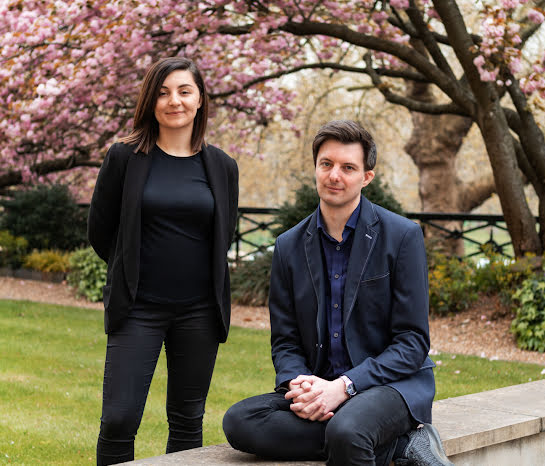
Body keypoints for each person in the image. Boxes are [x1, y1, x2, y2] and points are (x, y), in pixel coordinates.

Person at [223, 120, 452, 466]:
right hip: (320, 383)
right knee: (240, 421)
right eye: (326, 164)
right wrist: (300, 386)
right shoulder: (289, 246)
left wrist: (344, 387)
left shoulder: (402, 236)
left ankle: (365, 431)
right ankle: (400, 446)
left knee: (347, 432)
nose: (334, 176)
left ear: (366, 177)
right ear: (315, 168)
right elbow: (285, 341)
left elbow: (412, 342)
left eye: (348, 168)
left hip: (391, 385)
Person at [88, 57, 238, 465]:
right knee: (119, 419)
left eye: (185, 91)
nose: (174, 101)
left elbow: (225, 232)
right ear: (150, 101)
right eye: (163, 91)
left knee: (188, 421)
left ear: (200, 99)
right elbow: (100, 232)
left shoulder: (222, 166)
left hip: (200, 312)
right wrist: (131, 272)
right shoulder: (124, 158)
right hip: (138, 308)